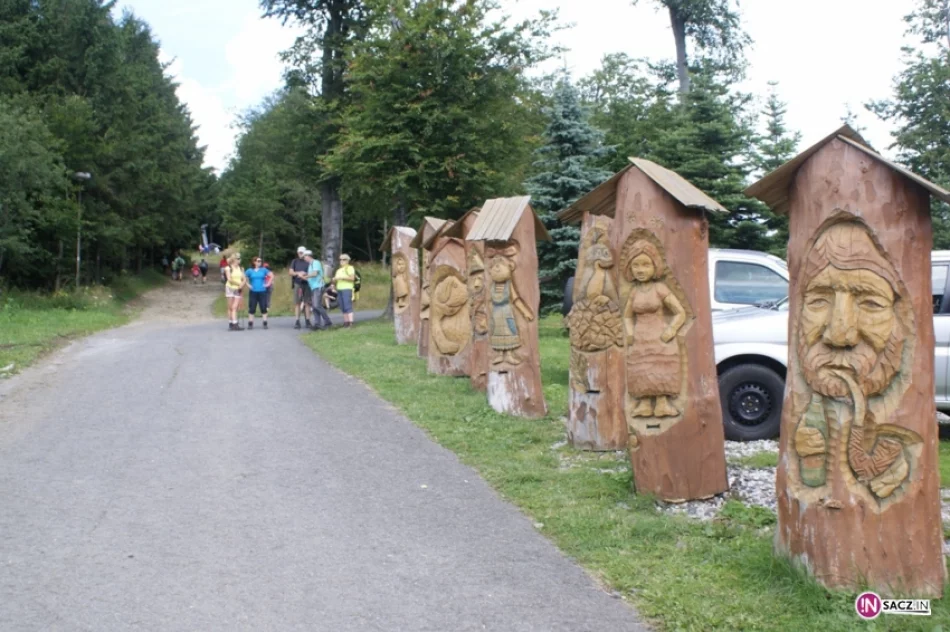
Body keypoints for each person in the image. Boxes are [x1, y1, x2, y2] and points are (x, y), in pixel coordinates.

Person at [304, 251, 332, 330]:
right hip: (313, 287)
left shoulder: (315, 262)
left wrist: (306, 275)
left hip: (318, 286)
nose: (304, 258)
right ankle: (317, 323)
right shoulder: (310, 265)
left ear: (308, 256)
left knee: (317, 305)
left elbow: (315, 273)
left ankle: (328, 321)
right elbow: (311, 277)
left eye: (305, 256)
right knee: (314, 306)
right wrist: (305, 277)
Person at [245, 256, 271, 330]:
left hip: (262, 291)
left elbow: (271, 275)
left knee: (263, 307)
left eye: (260, 261)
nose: (260, 262)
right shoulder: (250, 270)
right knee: (252, 307)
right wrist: (248, 284)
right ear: (254, 262)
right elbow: (244, 277)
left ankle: (265, 322)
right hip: (253, 291)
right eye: (258, 261)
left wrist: (267, 284)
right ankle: (250, 323)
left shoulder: (263, 270)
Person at [289, 246, 311, 329]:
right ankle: (297, 321)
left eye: (301, 252)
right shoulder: (295, 261)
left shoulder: (308, 261)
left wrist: (305, 274)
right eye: (299, 252)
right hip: (298, 283)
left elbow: (312, 272)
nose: (300, 254)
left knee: (307, 303)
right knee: (297, 302)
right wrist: (298, 273)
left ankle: (308, 320)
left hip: (307, 283)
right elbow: (290, 272)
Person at [333, 253, 357, 328]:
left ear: (347, 261)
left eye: (343, 259)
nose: (341, 261)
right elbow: (336, 280)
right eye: (340, 259)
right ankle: (346, 322)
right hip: (339, 289)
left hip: (347, 288)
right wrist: (334, 280)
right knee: (342, 306)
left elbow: (352, 278)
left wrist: (342, 278)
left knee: (347, 305)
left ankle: (351, 322)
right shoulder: (338, 270)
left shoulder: (350, 268)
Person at [224, 253, 247, 331]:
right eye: (238, 259)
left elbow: (244, 279)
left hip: (238, 289)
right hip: (230, 288)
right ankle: (231, 323)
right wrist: (239, 284)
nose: (239, 260)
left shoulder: (241, 268)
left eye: (239, 258)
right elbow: (229, 279)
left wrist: (242, 285)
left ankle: (235, 323)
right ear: (234, 260)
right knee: (230, 307)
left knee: (235, 307)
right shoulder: (228, 268)